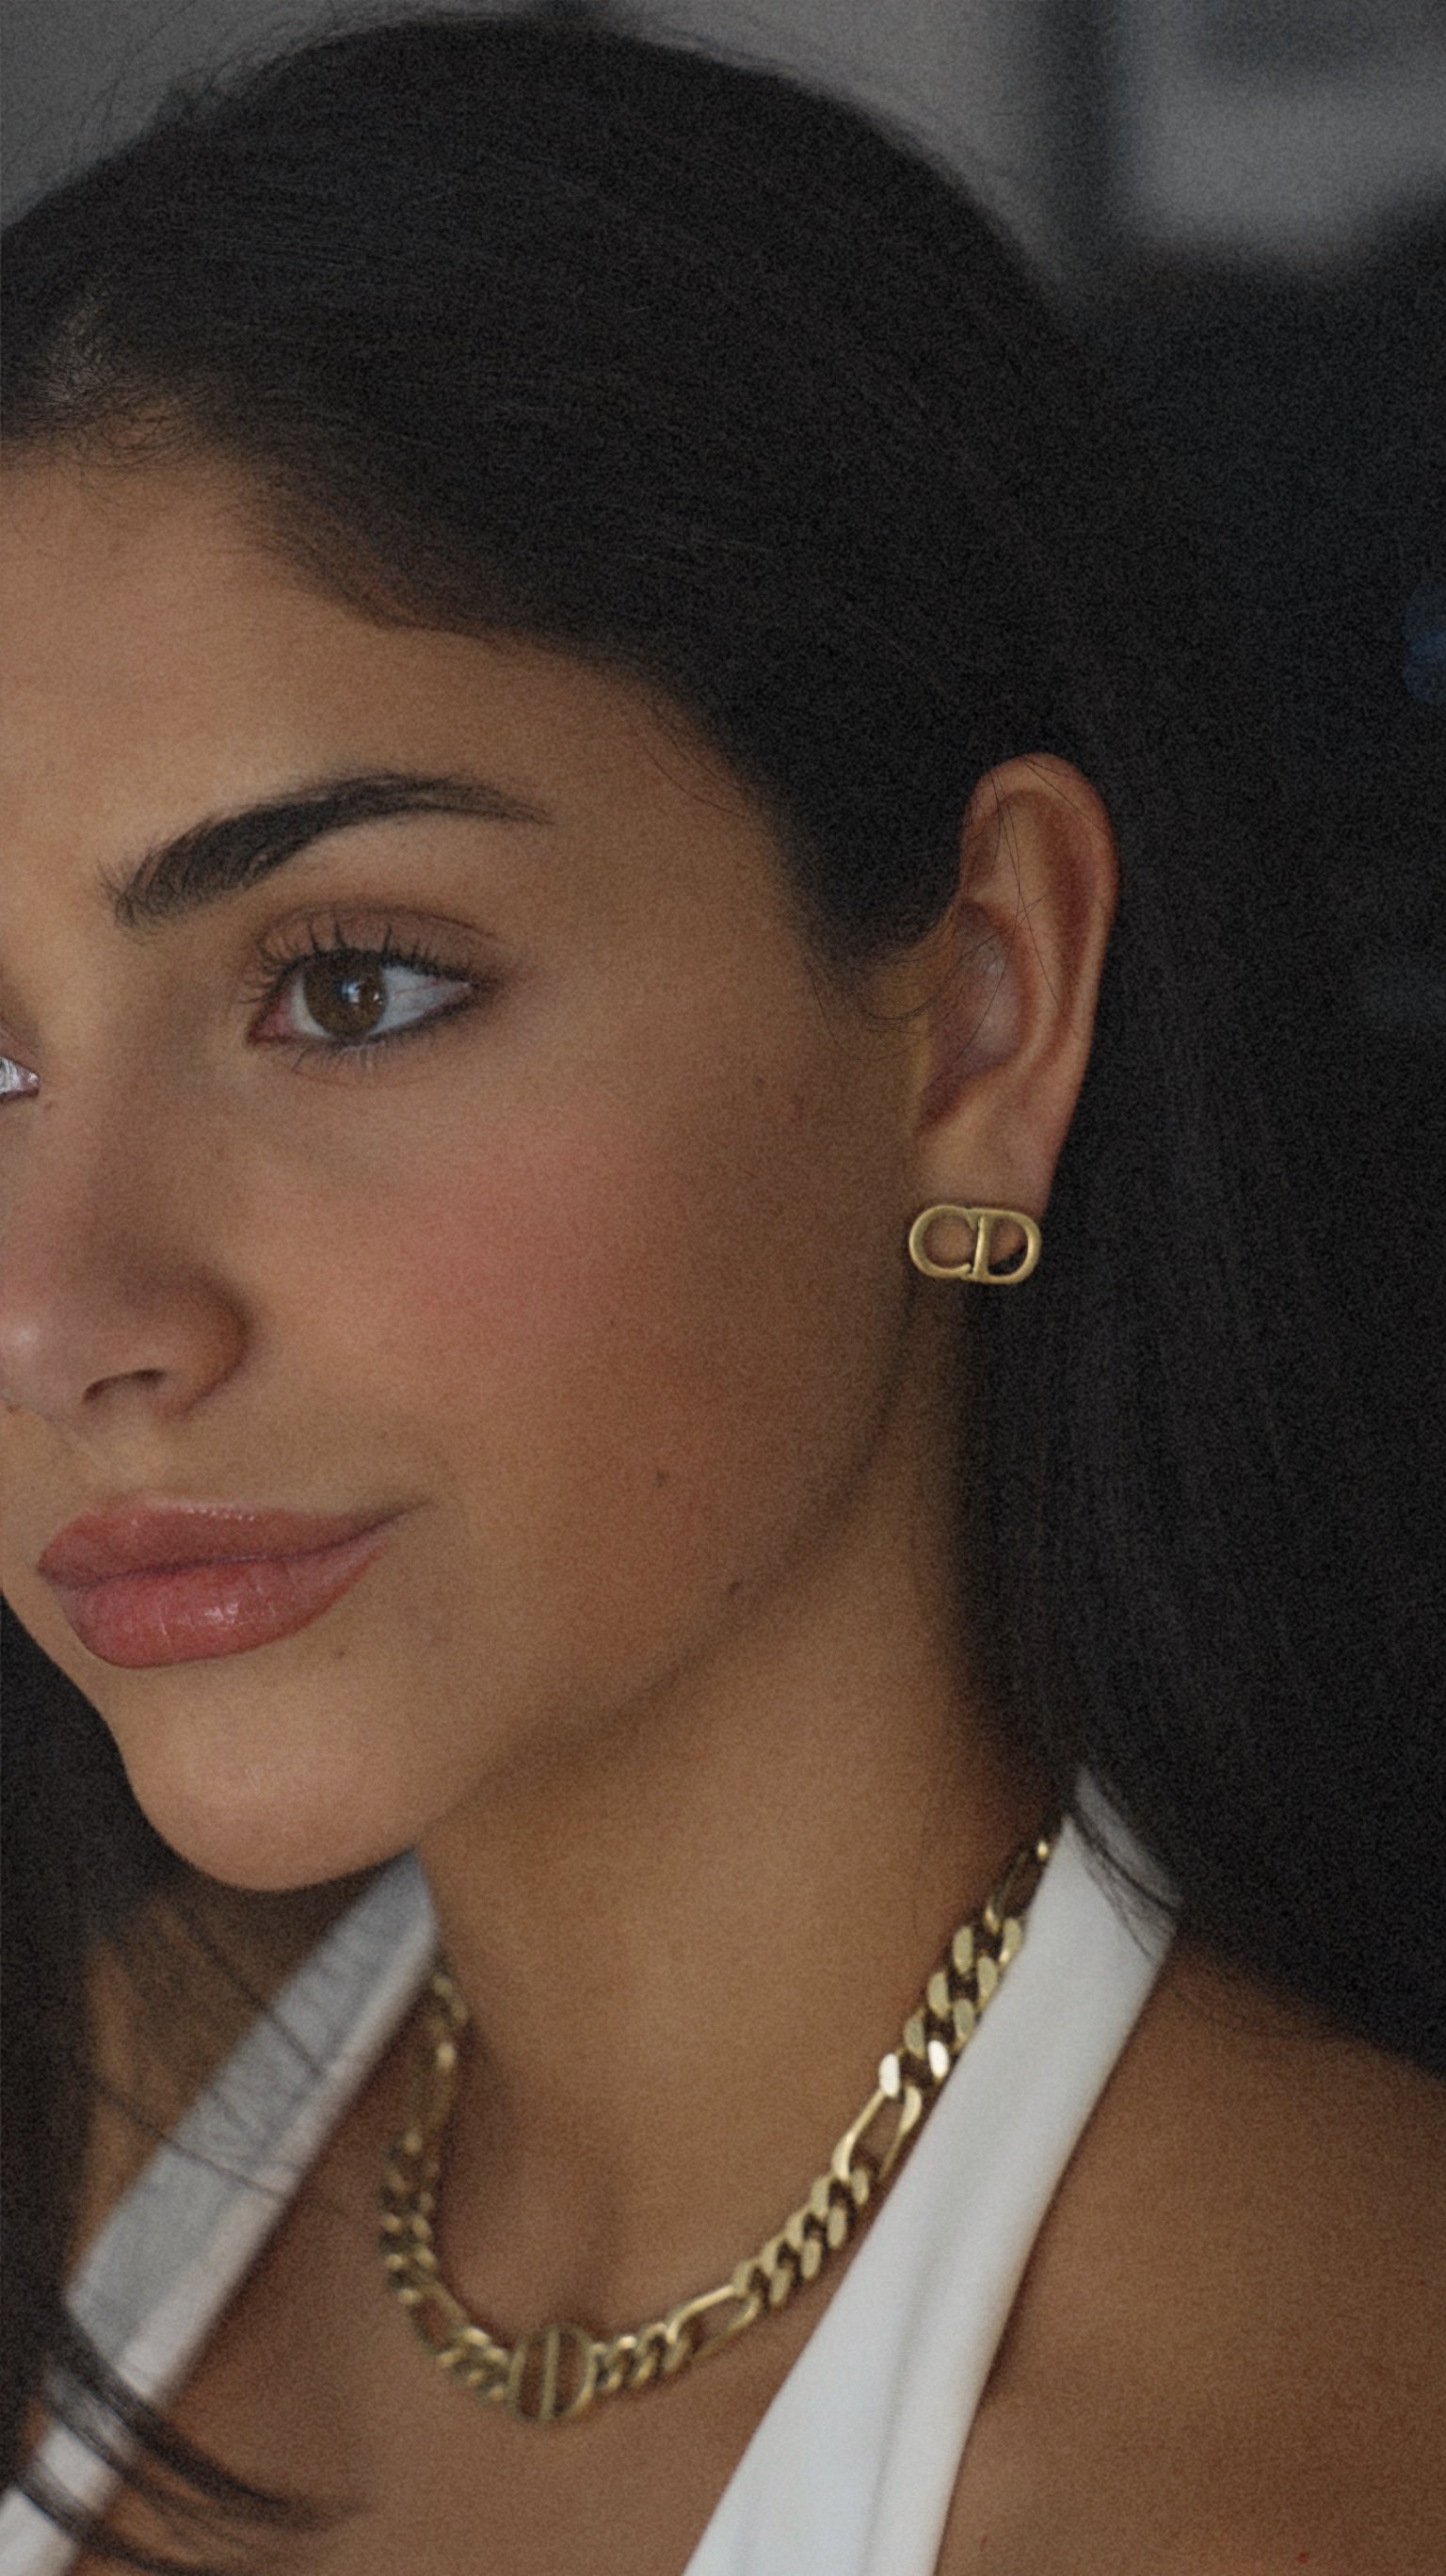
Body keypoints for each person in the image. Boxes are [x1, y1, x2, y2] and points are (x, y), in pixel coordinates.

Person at [0, 6, 1442, 2570]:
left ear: (980, 1009)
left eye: (351, 986)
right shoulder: (110, 2101)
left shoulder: (1295, 2459)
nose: (58, 1314)